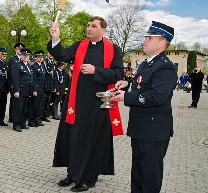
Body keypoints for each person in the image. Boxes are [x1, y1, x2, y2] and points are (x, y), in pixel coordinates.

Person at [48, 16, 124, 192]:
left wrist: (95, 70)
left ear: (103, 30)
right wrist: (55, 38)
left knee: (92, 140)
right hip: (76, 101)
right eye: (88, 26)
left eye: (93, 26)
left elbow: (118, 73)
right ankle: (72, 174)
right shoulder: (79, 45)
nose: (89, 28)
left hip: (98, 103)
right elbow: (63, 55)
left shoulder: (113, 49)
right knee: (73, 137)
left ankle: (89, 179)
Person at [111, 21, 177, 193]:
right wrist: (127, 84)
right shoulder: (147, 63)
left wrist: (127, 96)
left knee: (149, 177)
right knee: (138, 174)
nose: (144, 40)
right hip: (141, 127)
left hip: (154, 131)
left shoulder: (165, 67)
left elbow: (157, 96)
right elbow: (141, 85)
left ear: (162, 42)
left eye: (149, 37)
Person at [11, 48, 33, 132]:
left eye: (27, 55)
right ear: (21, 55)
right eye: (24, 55)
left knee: (24, 109)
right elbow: (15, 79)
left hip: (27, 91)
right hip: (20, 90)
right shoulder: (17, 65)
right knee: (18, 109)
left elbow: (30, 78)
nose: (25, 57)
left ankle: (22, 123)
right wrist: (16, 90)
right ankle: (16, 125)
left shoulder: (28, 66)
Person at [7, 42, 25, 123]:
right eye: (19, 49)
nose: (20, 50)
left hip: (22, 85)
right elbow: (9, 72)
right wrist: (11, 83)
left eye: (21, 49)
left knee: (19, 102)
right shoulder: (12, 59)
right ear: (15, 50)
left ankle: (18, 117)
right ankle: (12, 117)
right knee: (14, 101)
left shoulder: (23, 59)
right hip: (14, 84)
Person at [29, 50, 46, 127]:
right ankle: (31, 121)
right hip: (36, 89)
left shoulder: (42, 66)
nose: (40, 58)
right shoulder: (34, 67)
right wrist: (34, 90)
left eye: (41, 57)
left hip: (42, 90)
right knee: (33, 106)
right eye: (39, 57)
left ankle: (37, 119)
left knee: (40, 106)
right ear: (35, 57)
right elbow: (33, 80)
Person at [42, 52, 56, 122]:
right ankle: (41, 115)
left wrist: (54, 86)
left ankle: (45, 115)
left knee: (48, 101)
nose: (51, 54)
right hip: (45, 84)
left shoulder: (54, 63)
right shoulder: (44, 61)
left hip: (50, 85)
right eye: (50, 53)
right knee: (43, 101)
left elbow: (54, 76)